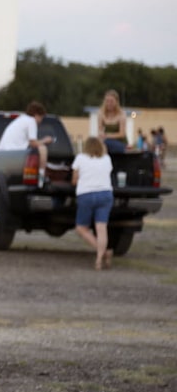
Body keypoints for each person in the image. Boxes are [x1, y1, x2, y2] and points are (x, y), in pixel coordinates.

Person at [71, 136, 114, 270]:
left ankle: (103, 252)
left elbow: (74, 180)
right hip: (105, 193)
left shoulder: (80, 158)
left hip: (86, 194)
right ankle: (99, 259)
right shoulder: (106, 159)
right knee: (101, 228)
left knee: (81, 228)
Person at [0, 101, 54, 185]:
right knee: (42, 148)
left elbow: (29, 143)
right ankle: (41, 178)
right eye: (41, 118)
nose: (41, 121)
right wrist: (46, 140)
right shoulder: (31, 121)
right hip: (14, 154)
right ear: (36, 115)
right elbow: (33, 143)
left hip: (3, 154)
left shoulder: (21, 119)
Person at [97, 89, 127, 154]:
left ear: (116, 102)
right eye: (107, 101)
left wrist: (107, 135)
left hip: (119, 142)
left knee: (106, 142)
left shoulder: (121, 114)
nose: (109, 103)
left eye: (111, 101)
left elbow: (122, 134)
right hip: (106, 141)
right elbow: (100, 130)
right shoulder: (101, 113)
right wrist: (101, 135)